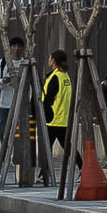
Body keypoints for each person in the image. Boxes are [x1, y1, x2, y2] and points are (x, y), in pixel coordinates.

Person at [0, 36, 28, 147]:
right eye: (14, 46)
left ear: (23, 48)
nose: (16, 49)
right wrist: (3, 81)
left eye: (19, 46)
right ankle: (5, 151)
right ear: (10, 48)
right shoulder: (3, 62)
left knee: (19, 132)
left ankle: (16, 153)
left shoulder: (25, 63)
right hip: (5, 104)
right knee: (4, 132)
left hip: (20, 104)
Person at [43, 49, 74, 183]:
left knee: (46, 146)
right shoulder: (65, 76)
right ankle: (82, 167)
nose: (48, 60)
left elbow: (49, 98)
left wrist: (44, 112)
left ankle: (44, 174)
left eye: (50, 58)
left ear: (54, 61)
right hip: (63, 118)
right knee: (66, 146)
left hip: (53, 118)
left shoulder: (55, 77)